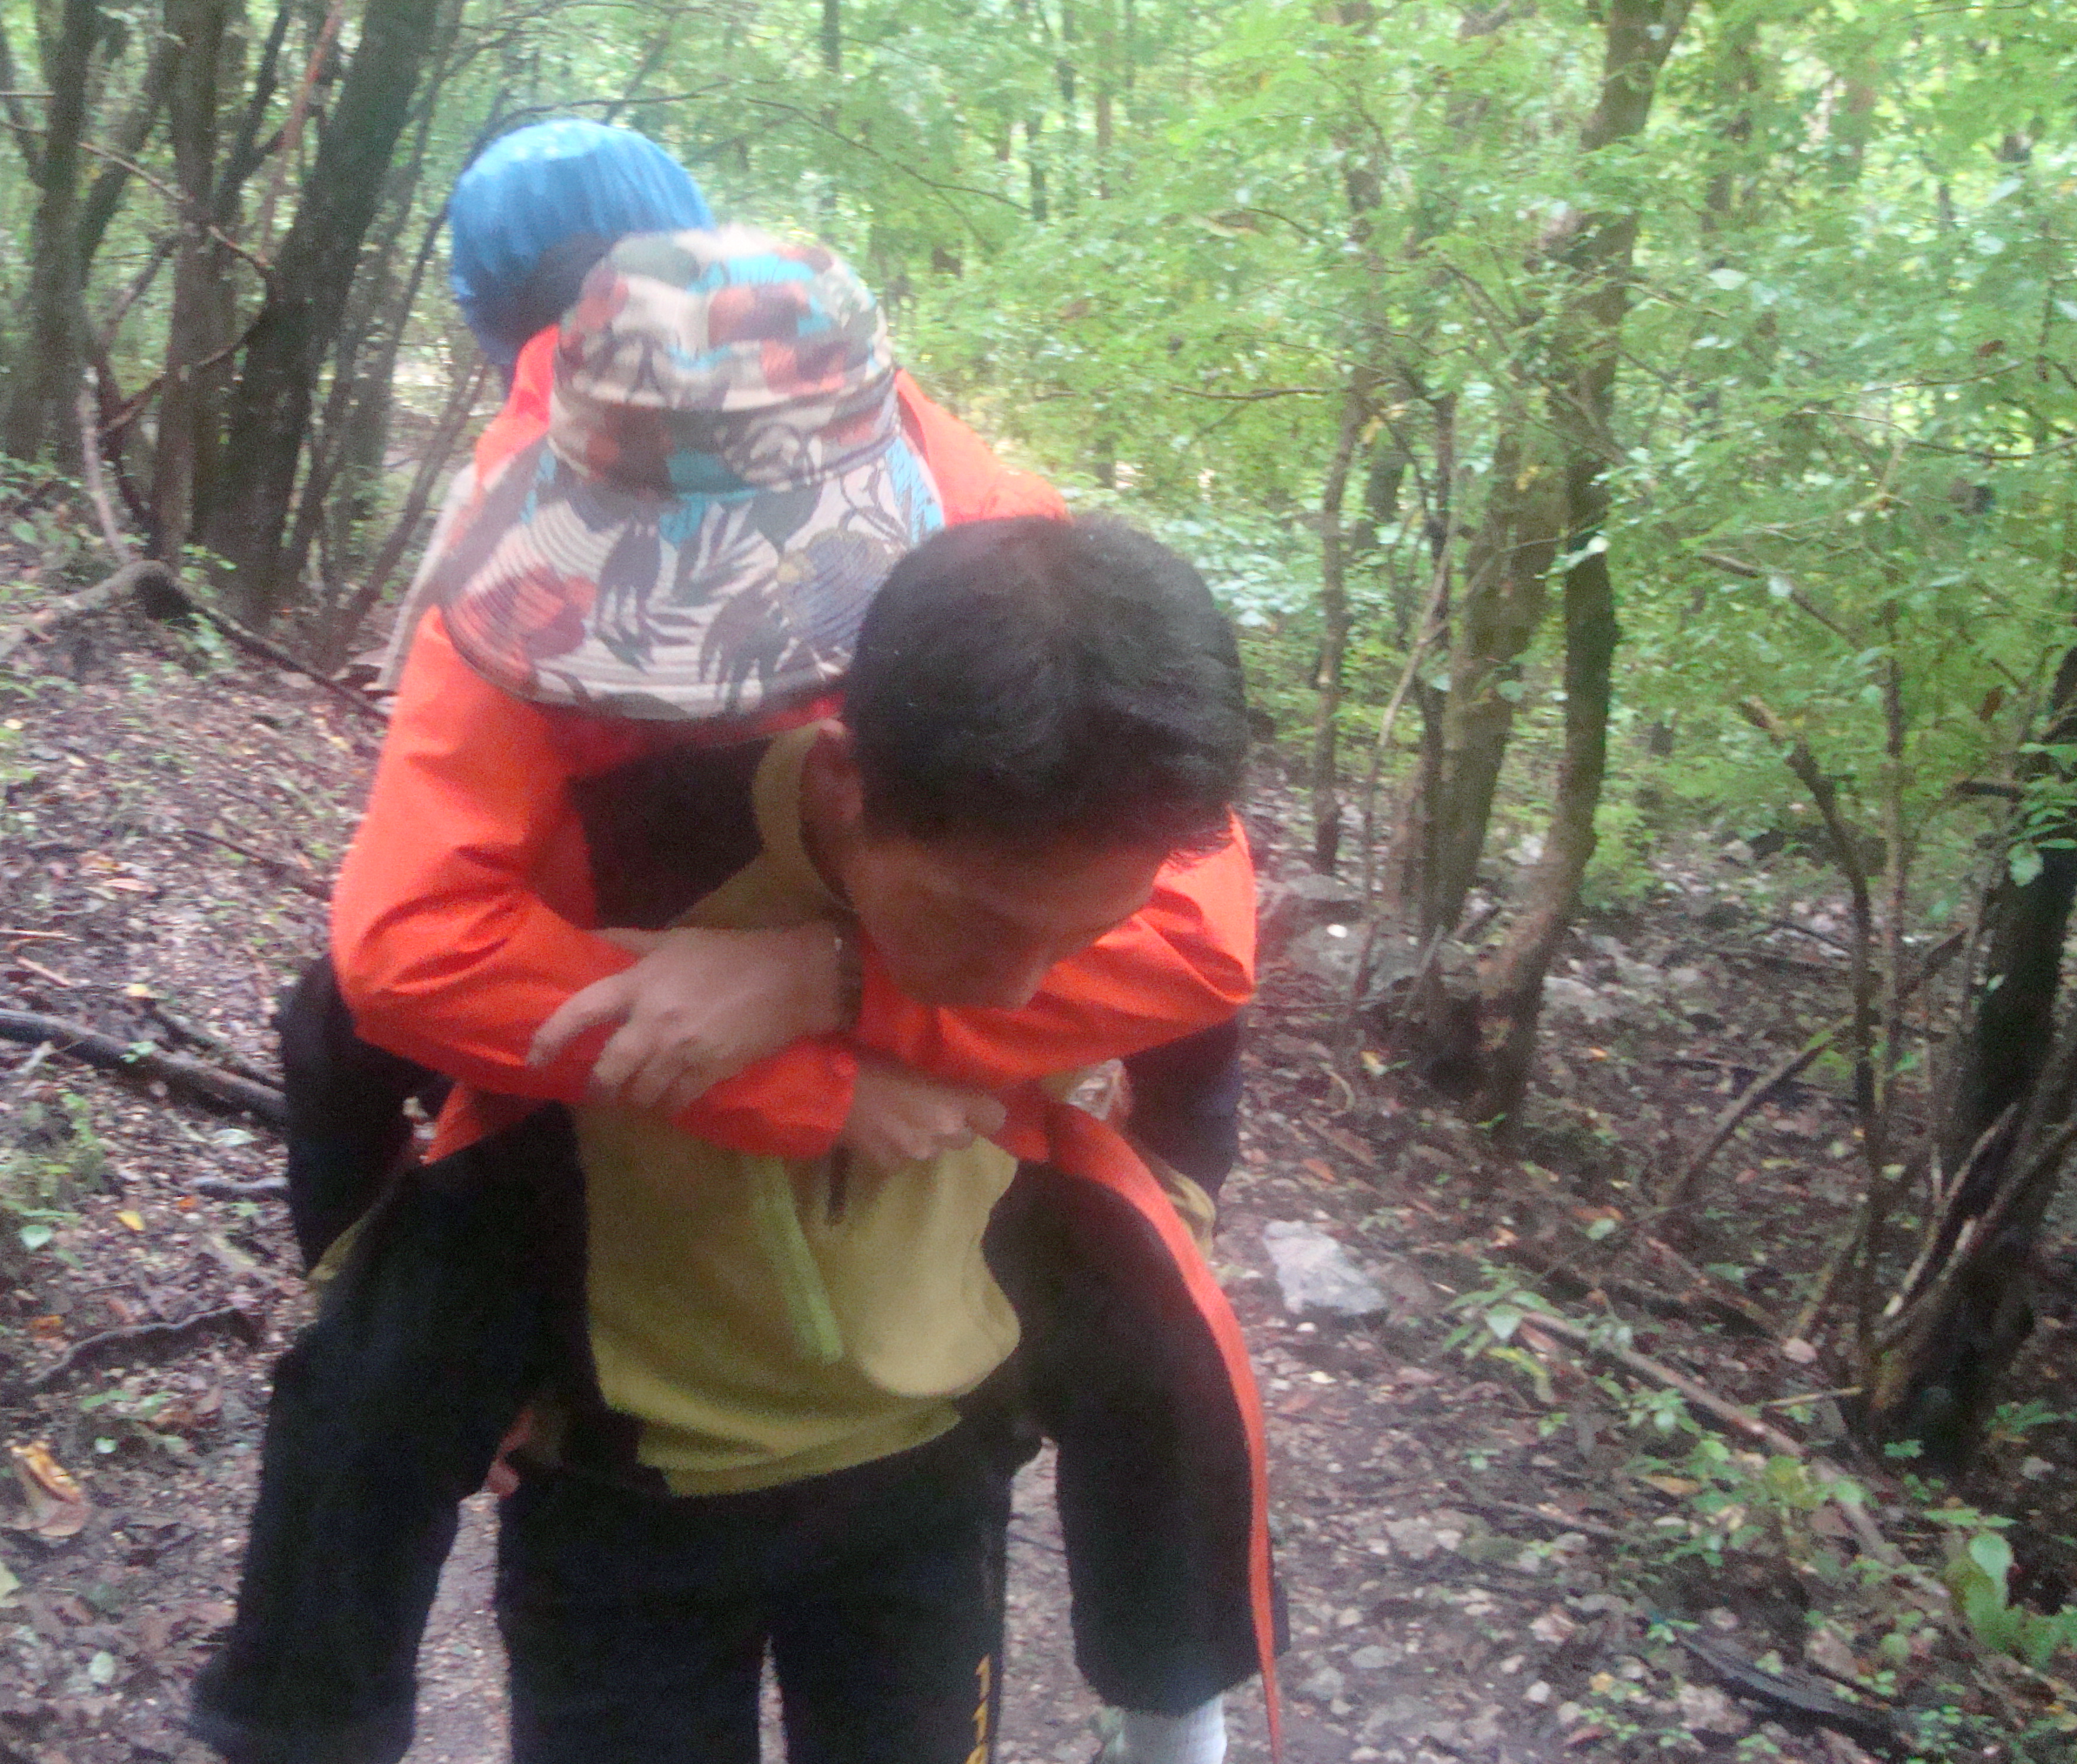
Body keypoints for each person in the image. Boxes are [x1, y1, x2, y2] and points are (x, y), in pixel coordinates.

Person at [192, 230, 1276, 1764]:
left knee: (1149, 1362)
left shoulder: (1009, 583)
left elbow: (1197, 948)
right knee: (374, 1394)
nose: (687, 675)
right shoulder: (525, 574)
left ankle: (1175, 1698)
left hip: (916, 1459)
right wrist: (806, 1083)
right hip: (633, 1460)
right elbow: (392, 964)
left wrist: (832, 978)